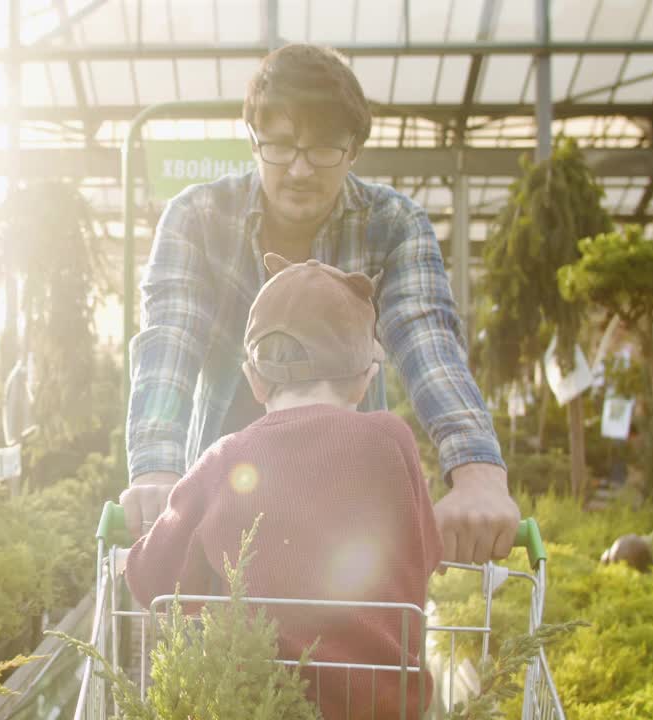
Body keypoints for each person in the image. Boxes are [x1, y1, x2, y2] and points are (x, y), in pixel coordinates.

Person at [121, 43, 519, 565]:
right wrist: (156, 471)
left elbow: (429, 342)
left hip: (346, 499)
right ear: (253, 140)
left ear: (354, 149)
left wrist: (478, 475)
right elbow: (169, 342)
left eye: (325, 146)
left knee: (348, 627)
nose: (301, 169)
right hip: (221, 492)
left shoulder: (392, 225)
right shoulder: (197, 218)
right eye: (281, 145)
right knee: (213, 627)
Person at [125, 255, 442, 719]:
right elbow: (425, 553)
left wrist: (136, 549)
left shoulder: (225, 456)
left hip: (259, 703)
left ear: (254, 380)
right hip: (381, 705)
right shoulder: (392, 440)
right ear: (365, 380)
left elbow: (157, 580)